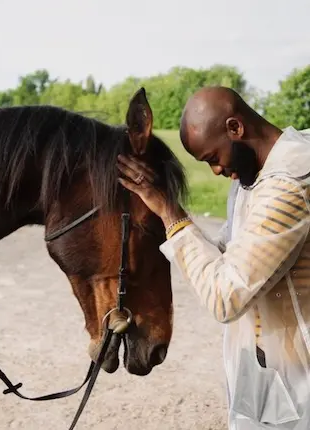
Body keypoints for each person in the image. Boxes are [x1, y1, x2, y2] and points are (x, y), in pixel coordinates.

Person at [117, 86, 310, 429]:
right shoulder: (254, 178)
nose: (216, 172)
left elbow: (226, 296)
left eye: (212, 158)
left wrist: (170, 214)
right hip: (268, 371)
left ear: (235, 128)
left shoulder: (289, 185)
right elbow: (227, 255)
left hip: (300, 383)